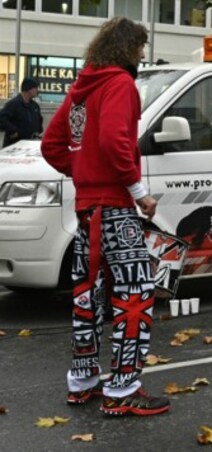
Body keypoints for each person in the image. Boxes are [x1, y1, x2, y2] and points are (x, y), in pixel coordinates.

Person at [41, 17, 170, 417]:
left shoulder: (82, 89)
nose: (143, 54)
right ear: (128, 47)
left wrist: (83, 171)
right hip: (114, 207)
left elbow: (52, 145)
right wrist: (138, 192)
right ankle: (124, 387)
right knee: (135, 294)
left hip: (86, 210)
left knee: (87, 294)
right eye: (141, 47)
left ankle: (82, 381)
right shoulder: (120, 84)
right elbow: (115, 141)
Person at [0, 77, 43, 147]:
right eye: (35, 88)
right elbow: (2, 119)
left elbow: (39, 121)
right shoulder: (13, 104)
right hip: (14, 145)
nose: (37, 90)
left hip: (30, 144)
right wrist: (14, 131)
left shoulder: (35, 106)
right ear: (29, 89)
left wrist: (39, 133)